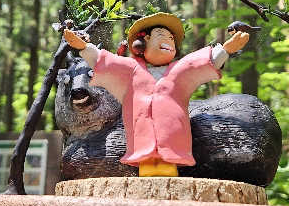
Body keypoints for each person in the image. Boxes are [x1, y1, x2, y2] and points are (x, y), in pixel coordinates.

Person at [63, 13, 249, 177]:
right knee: (147, 166)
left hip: (174, 136)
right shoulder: (131, 70)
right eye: (161, 36)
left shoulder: (179, 70)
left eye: (171, 38)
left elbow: (200, 62)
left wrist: (225, 50)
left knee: (168, 166)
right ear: (142, 43)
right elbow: (105, 61)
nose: (168, 41)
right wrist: (84, 47)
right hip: (140, 137)